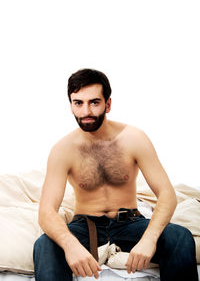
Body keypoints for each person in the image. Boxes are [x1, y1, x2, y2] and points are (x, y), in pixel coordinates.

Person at [33, 68, 198, 281]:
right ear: (71, 105)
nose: (85, 112)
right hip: (85, 226)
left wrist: (149, 239)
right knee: (44, 244)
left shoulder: (134, 139)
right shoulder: (62, 149)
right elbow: (46, 212)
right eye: (78, 103)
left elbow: (167, 194)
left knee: (179, 236)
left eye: (94, 102)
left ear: (107, 104)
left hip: (130, 223)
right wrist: (70, 245)